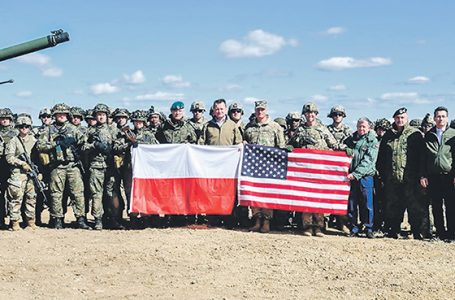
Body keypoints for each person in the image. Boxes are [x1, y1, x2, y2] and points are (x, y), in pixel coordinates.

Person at [288, 102, 342, 237]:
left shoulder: (323, 129)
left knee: (318, 197)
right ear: (304, 115)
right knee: (306, 198)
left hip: (319, 170)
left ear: (316, 114)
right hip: (304, 171)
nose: (310, 115)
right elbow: (291, 144)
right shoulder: (300, 130)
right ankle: (307, 226)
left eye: (312, 113)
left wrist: (344, 150)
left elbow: (334, 144)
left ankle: (318, 226)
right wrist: (288, 147)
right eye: (307, 113)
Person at [36, 103, 91, 230]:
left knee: (78, 193)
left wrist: (82, 143)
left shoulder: (73, 129)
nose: (61, 116)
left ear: (67, 115)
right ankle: (57, 219)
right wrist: (56, 144)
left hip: (73, 165)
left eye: (64, 114)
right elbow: (40, 146)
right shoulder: (48, 130)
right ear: (54, 116)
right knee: (56, 194)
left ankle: (81, 218)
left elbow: (84, 143)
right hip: (57, 166)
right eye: (58, 114)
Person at [377, 107, 425, 239]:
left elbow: (422, 157)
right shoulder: (388, 135)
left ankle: (416, 231)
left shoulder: (415, 134)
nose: (400, 120)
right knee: (393, 205)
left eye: (402, 117)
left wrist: (421, 174)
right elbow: (381, 157)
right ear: (394, 119)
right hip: (392, 178)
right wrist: (383, 174)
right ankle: (394, 230)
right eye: (398, 118)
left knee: (414, 206)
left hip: (411, 178)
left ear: (407, 118)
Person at [199, 99, 243, 228]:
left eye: (222, 109)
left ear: (225, 109)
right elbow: (201, 144)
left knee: (229, 192)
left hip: (229, 165)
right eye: (217, 109)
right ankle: (213, 219)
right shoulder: (207, 126)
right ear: (213, 110)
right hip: (212, 166)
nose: (219, 111)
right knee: (212, 191)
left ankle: (229, 219)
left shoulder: (233, 126)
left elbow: (239, 143)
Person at [243, 100, 286, 233]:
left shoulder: (275, 127)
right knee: (254, 194)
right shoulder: (249, 127)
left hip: (269, 167)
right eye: (257, 109)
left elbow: (281, 147)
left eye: (262, 109)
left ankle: (266, 221)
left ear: (266, 110)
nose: (260, 112)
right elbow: (245, 142)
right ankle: (257, 220)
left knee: (267, 194)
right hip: (253, 166)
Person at [114, 109, 159, 229]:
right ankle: (133, 217)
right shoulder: (127, 133)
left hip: (145, 170)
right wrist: (128, 144)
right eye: (136, 121)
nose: (138, 123)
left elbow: (157, 149)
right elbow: (116, 147)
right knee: (130, 193)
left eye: (140, 121)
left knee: (145, 193)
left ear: (144, 122)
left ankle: (146, 217)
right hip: (129, 168)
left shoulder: (149, 135)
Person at [156, 101, 197, 227]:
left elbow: (194, 143)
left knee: (183, 190)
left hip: (183, 164)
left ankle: (183, 216)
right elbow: (157, 142)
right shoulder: (164, 127)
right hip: (169, 164)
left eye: (179, 111)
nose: (177, 113)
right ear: (171, 111)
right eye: (175, 111)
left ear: (183, 111)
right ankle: (170, 215)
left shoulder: (188, 126)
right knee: (169, 190)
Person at [83, 103, 123, 230]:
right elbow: (83, 147)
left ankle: (113, 219)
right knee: (96, 194)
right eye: (98, 115)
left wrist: (116, 147)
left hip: (111, 166)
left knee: (111, 193)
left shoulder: (114, 130)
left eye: (103, 115)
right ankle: (98, 219)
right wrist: (94, 145)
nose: (101, 117)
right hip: (96, 166)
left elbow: (119, 145)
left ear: (107, 116)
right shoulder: (90, 131)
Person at [420, 106, 455, 241]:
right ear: (434, 119)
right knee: (436, 206)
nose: (440, 119)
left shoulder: (453, 134)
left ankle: (452, 233)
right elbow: (424, 157)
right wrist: (423, 175)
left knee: (451, 206)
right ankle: (440, 233)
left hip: (449, 176)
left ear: (447, 118)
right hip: (433, 176)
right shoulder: (429, 135)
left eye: (443, 116)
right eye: (438, 116)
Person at [345, 117, 379, 238]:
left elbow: (369, 160)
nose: (361, 129)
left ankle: (369, 228)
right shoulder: (351, 139)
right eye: (359, 126)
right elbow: (343, 151)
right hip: (352, 177)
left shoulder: (372, 141)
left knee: (367, 204)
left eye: (364, 126)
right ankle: (353, 228)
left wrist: (356, 174)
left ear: (369, 127)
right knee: (352, 204)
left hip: (365, 177)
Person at [5, 114, 39, 230]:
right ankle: (15, 222)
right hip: (18, 173)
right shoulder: (13, 141)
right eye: (21, 126)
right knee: (16, 198)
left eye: (26, 126)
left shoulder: (34, 140)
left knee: (31, 197)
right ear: (18, 127)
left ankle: (30, 221)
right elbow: (9, 157)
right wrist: (22, 163)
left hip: (31, 173)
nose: (24, 128)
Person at [0, 108, 17, 229]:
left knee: (13, 194)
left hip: (12, 167)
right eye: (2, 118)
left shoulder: (16, 133)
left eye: (7, 118)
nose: (4, 120)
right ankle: (1, 219)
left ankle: (14, 220)